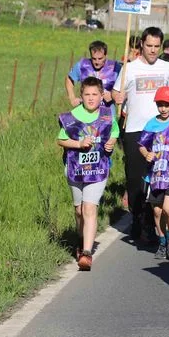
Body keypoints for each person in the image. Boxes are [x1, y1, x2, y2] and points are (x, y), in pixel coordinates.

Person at [112, 27, 169, 242]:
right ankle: (137, 217)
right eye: (149, 46)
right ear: (141, 45)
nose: (153, 50)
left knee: (157, 177)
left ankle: (150, 222)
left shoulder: (166, 68)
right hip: (135, 129)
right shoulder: (129, 68)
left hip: (160, 130)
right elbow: (115, 92)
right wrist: (117, 96)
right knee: (134, 177)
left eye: (157, 46)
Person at [57, 76, 118, 271]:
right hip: (75, 169)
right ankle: (81, 238)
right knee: (79, 210)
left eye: (95, 94)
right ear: (81, 96)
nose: (91, 98)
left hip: (98, 169)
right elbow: (61, 140)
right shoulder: (71, 117)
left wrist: (111, 142)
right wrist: (78, 144)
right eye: (87, 94)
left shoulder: (107, 115)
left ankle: (86, 253)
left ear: (102, 95)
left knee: (89, 208)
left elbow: (114, 132)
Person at [139, 87, 169, 260]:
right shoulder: (151, 124)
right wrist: (146, 154)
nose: (163, 108)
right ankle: (162, 241)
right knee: (157, 211)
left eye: (167, 105)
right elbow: (142, 145)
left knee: (168, 209)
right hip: (155, 174)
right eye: (160, 105)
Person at [66, 41, 120, 108]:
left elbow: (126, 85)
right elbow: (69, 79)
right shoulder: (82, 65)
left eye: (100, 58)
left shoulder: (115, 67)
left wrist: (113, 95)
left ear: (106, 56)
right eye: (94, 59)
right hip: (86, 110)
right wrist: (72, 98)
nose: (97, 62)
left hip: (107, 110)